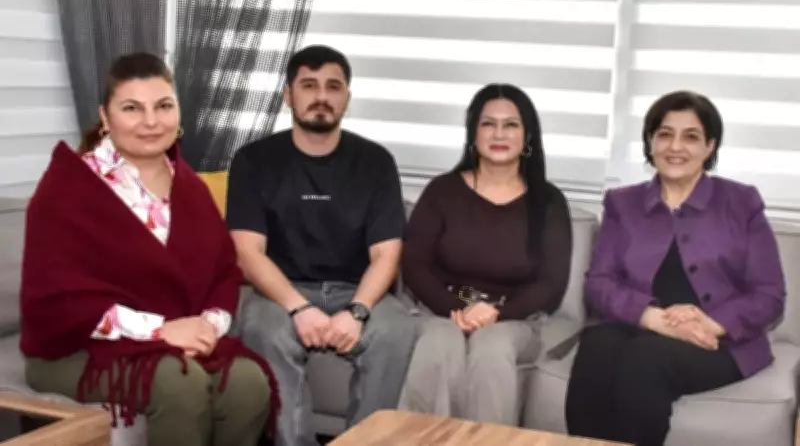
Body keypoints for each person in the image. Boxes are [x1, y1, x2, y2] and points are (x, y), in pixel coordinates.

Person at [20, 52, 279, 446]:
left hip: (170, 343)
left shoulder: (191, 188)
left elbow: (224, 272)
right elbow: (57, 303)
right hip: (74, 350)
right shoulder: (66, 187)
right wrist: (162, 331)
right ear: (105, 117)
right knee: (179, 384)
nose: (151, 121)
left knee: (247, 383)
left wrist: (207, 326)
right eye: (132, 108)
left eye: (163, 106)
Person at [565, 90, 786, 446]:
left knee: (645, 359)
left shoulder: (741, 202)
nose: (675, 146)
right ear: (650, 142)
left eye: (691, 136)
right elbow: (600, 284)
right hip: (638, 326)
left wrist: (711, 323)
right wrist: (654, 319)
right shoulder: (623, 204)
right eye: (665, 134)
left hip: (717, 341)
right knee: (597, 345)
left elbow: (769, 295)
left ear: (710, 147)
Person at [227, 45, 417, 446]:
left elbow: (387, 254)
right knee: (263, 330)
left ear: (347, 97)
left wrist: (358, 311)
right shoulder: (253, 160)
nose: (321, 96)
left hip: (356, 290)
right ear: (288, 95)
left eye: (333, 86)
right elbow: (247, 253)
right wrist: (299, 308)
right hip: (281, 293)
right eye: (309, 85)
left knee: (396, 330)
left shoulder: (375, 161)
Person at [397, 83, 573, 424]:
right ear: (473, 133)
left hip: (516, 319)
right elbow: (415, 264)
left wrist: (495, 313)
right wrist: (458, 309)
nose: (499, 134)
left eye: (511, 125)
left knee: (492, 347)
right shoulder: (443, 190)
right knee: (440, 342)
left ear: (527, 135)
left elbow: (551, 283)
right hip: (443, 311)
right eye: (488, 124)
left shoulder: (548, 201)